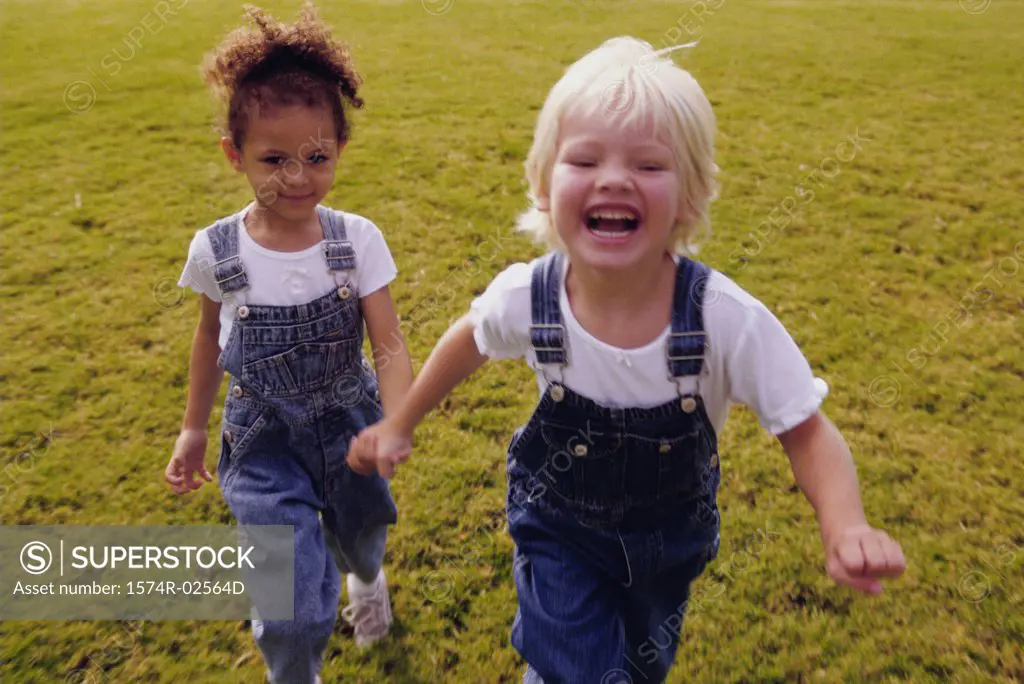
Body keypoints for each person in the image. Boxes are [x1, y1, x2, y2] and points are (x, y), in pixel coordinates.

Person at [346, 36, 906, 683]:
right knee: (579, 668)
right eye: (584, 160)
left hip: (667, 545)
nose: (613, 179)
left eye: (648, 165)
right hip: (557, 523)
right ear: (542, 186)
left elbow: (805, 428)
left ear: (690, 198)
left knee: (637, 666)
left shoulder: (725, 318)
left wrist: (846, 526)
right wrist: (401, 421)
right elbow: (470, 337)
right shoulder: (530, 296)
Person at [163, 4, 412, 681]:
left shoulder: (356, 239)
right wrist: (192, 430)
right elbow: (208, 334)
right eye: (273, 159)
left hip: (351, 426)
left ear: (340, 148)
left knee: (361, 538)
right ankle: (294, 670)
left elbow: (387, 339)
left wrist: (397, 419)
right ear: (233, 154)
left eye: (316, 157)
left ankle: (366, 579)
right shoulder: (216, 249)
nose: (296, 177)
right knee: (291, 608)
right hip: (262, 438)